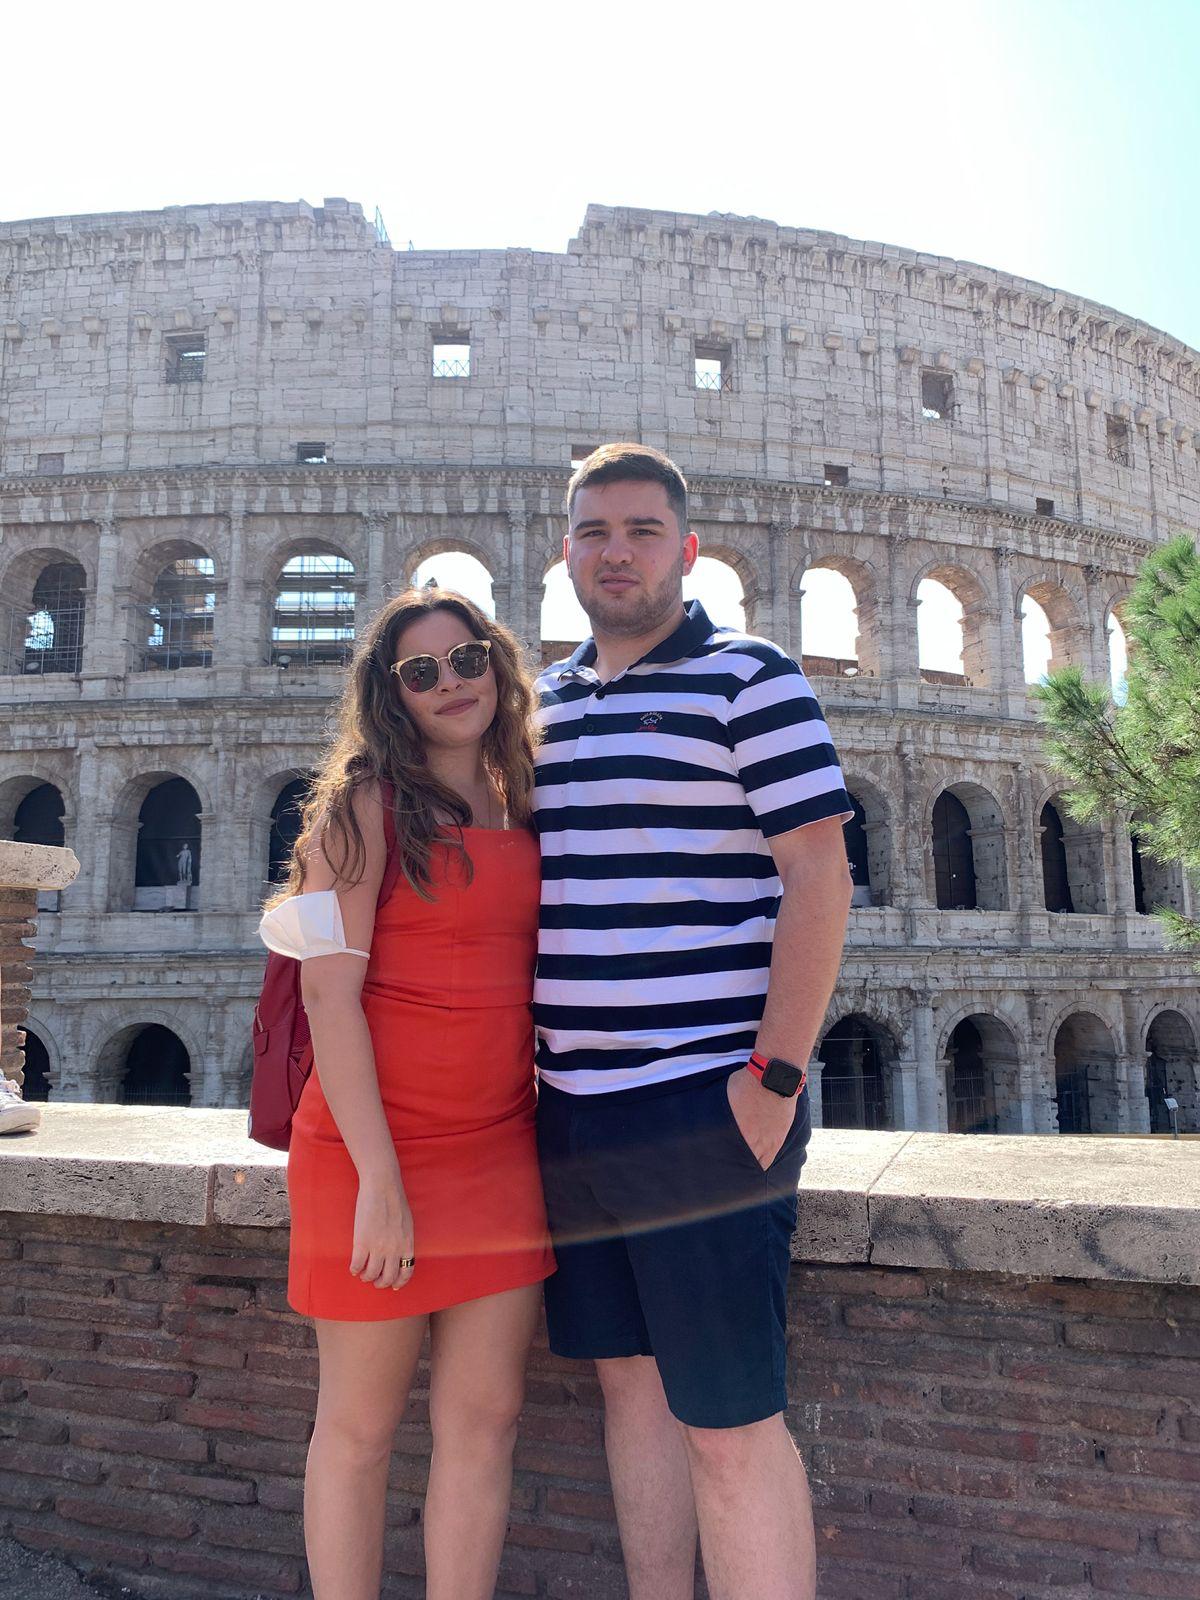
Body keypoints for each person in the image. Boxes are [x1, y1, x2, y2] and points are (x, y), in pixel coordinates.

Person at [534, 443, 854, 1600]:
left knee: (729, 1421)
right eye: (593, 531)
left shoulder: (750, 676)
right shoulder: (549, 701)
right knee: (630, 1391)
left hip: (702, 1101)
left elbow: (821, 878)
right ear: (564, 549)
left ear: (688, 547)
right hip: (569, 1110)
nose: (615, 552)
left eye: (641, 529)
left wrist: (770, 1080)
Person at [258, 589, 554, 1600]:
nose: (450, 684)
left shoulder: (527, 793)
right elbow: (329, 998)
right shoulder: (361, 807)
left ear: (498, 663)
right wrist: (381, 1180)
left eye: (466, 659)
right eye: (420, 672)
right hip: (366, 1153)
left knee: (486, 1420)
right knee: (360, 1425)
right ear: (391, 696)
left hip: (500, 1146)